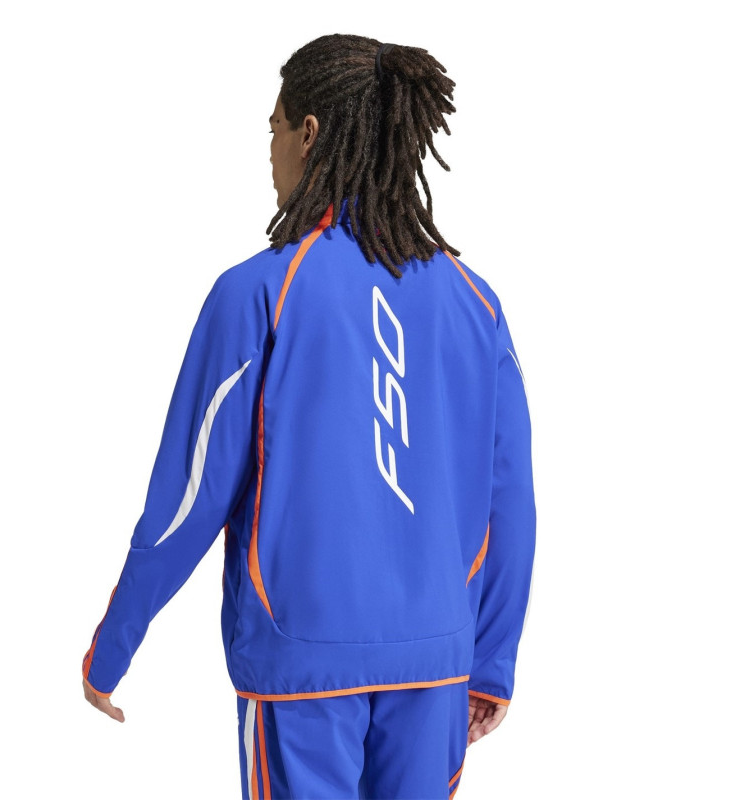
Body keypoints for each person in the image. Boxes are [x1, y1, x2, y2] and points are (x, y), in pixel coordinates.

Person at [82, 33, 536, 800]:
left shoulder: (258, 291)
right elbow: (510, 496)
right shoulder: (475, 303)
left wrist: (112, 646)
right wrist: (491, 661)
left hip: (301, 662)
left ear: (310, 133)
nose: (269, 152)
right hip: (435, 663)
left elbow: (191, 495)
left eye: (274, 127)